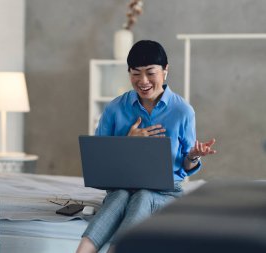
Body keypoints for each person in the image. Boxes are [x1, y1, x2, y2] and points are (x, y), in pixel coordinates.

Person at [75, 40, 216, 253]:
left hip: (166, 192)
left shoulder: (182, 111)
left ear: (165, 71)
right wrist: (128, 142)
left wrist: (193, 156)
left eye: (150, 73)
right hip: (121, 186)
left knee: (143, 196)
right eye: (135, 73)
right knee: (120, 196)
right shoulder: (115, 108)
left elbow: (185, 166)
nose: (143, 81)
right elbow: (99, 160)